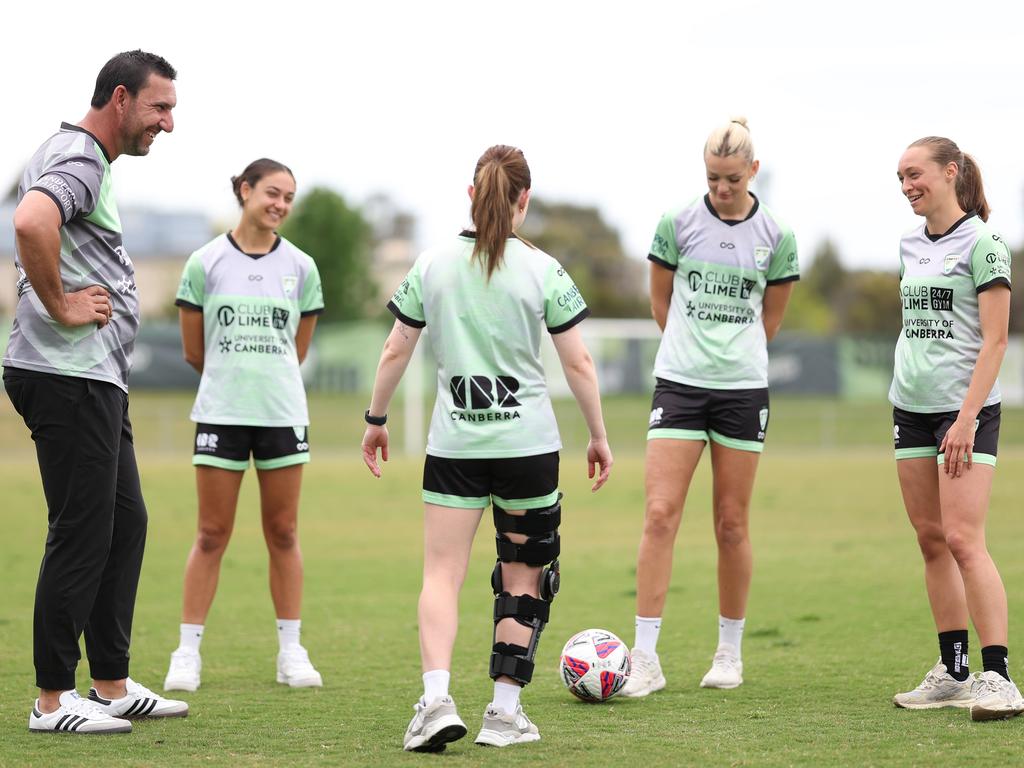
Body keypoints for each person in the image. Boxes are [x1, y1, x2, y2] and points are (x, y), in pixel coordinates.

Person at [361, 145, 612, 751]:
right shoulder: (543, 269)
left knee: (441, 575)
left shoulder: (432, 264)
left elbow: (396, 348)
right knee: (525, 577)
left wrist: (376, 418)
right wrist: (599, 435)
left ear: (470, 195)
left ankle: (436, 699)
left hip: (455, 446)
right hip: (528, 447)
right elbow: (576, 360)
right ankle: (502, 714)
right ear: (524, 200)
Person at [3, 50, 187, 734]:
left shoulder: (75, 152)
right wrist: (62, 305)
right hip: (67, 373)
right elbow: (30, 222)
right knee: (81, 530)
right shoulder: (82, 156)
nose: (167, 123)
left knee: (125, 520)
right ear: (119, 98)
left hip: (92, 376)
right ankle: (52, 700)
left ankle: (109, 682)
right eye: (158, 108)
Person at [622, 118, 798, 698]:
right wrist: (691, 353)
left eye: (730, 178)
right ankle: (644, 659)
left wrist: (732, 358)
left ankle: (729, 651)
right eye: (711, 178)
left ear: (752, 170)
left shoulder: (777, 235)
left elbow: (770, 320)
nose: (720, 189)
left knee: (730, 522)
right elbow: (660, 299)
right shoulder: (677, 224)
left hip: (742, 391)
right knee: (659, 513)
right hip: (679, 384)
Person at [163, 158, 325, 692]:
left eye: (289, 197)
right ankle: (186, 653)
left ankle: (291, 651)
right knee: (211, 534)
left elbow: (295, 352)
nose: (280, 205)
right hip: (220, 415)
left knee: (283, 532)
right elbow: (194, 352)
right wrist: (233, 383)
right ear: (244, 190)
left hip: (281, 414)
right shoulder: (203, 262)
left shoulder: (302, 267)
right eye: (271, 193)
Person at [888, 137, 1022, 721]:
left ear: (949, 172)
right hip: (909, 407)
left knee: (965, 539)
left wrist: (966, 419)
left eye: (914, 174)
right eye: (899, 177)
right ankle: (954, 670)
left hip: (963, 412)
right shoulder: (908, 244)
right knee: (930, 538)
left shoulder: (986, 242)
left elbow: (995, 340)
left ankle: (999, 677)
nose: (906, 185)